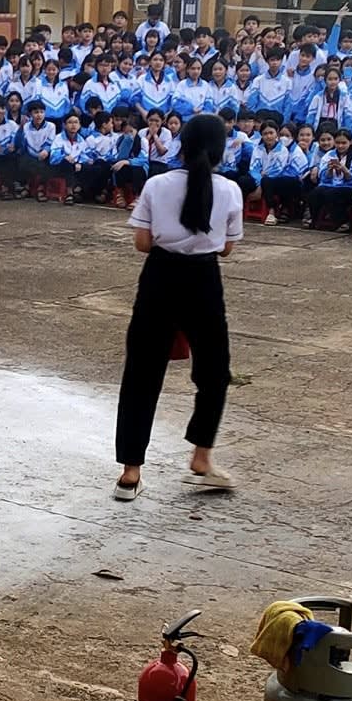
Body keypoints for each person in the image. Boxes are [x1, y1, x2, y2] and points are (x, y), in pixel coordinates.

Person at [112, 114, 242, 501]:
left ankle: (130, 472)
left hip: (160, 277)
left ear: (180, 145)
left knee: (141, 373)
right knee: (215, 371)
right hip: (203, 279)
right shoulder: (230, 190)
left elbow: (141, 243)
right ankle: (202, 457)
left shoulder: (157, 184)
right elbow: (227, 248)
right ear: (219, 151)